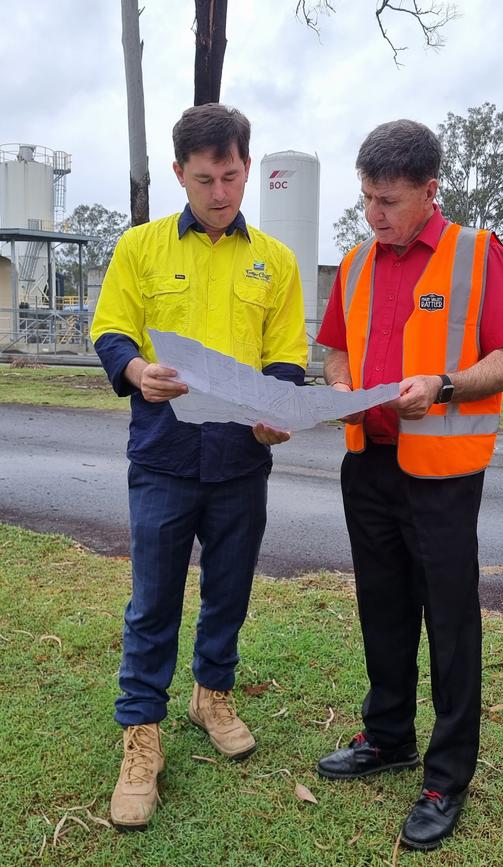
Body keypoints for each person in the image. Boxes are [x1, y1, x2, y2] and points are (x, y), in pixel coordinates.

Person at [316, 119, 503, 852]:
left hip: (442, 473)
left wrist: (443, 385)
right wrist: (342, 389)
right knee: (381, 606)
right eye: (367, 197)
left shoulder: (477, 254)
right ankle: (388, 736)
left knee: (449, 621)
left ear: (429, 191)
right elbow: (336, 354)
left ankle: (446, 774)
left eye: (388, 200)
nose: (374, 214)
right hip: (368, 464)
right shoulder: (355, 260)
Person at [90, 103, 307, 831]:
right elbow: (110, 327)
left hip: (243, 459)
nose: (220, 192)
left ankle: (211, 692)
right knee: (152, 602)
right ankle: (140, 736)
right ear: (180, 173)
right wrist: (135, 368)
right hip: (163, 454)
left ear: (248, 166)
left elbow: (286, 354)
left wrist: (281, 407)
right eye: (205, 178)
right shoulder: (140, 247)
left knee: (228, 591)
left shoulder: (273, 261)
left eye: (233, 175)